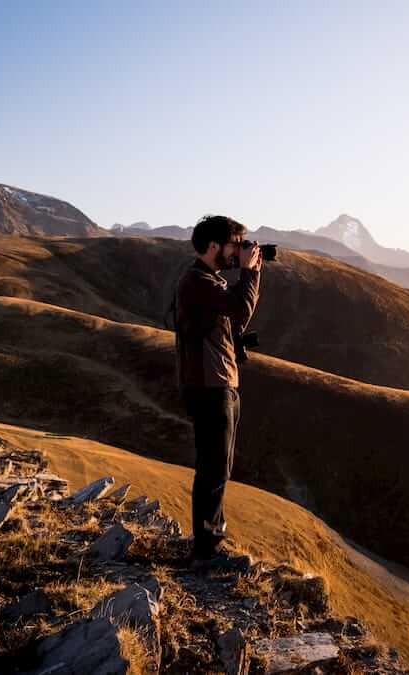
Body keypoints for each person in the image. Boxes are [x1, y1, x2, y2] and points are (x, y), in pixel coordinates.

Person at [173, 215, 262, 567]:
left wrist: (248, 273)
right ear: (213, 247)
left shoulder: (209, 281)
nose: (238, 251)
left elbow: (235, 318)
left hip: (220, 383)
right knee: (213, 468)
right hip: (209, 386)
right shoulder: (196, 281)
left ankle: (210, 543)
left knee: (218, 466)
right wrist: (251, 272)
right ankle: (206, 551)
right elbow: (241, 309)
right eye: (234, 245)